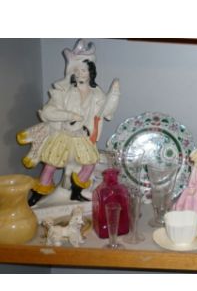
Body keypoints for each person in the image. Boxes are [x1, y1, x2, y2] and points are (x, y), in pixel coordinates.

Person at [17, 39, 120, 206]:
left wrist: (114, 95)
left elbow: (106, 112)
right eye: (77, 70)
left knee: (90, 164)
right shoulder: (64, 91)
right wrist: (68, 115)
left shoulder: (97, 94)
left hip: (81, 137)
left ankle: (76, 191)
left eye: (84, 70)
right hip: (64, 134)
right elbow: (48, 112)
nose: (80, 73)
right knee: (51, 165)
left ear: (91, 72)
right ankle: (38, 193)